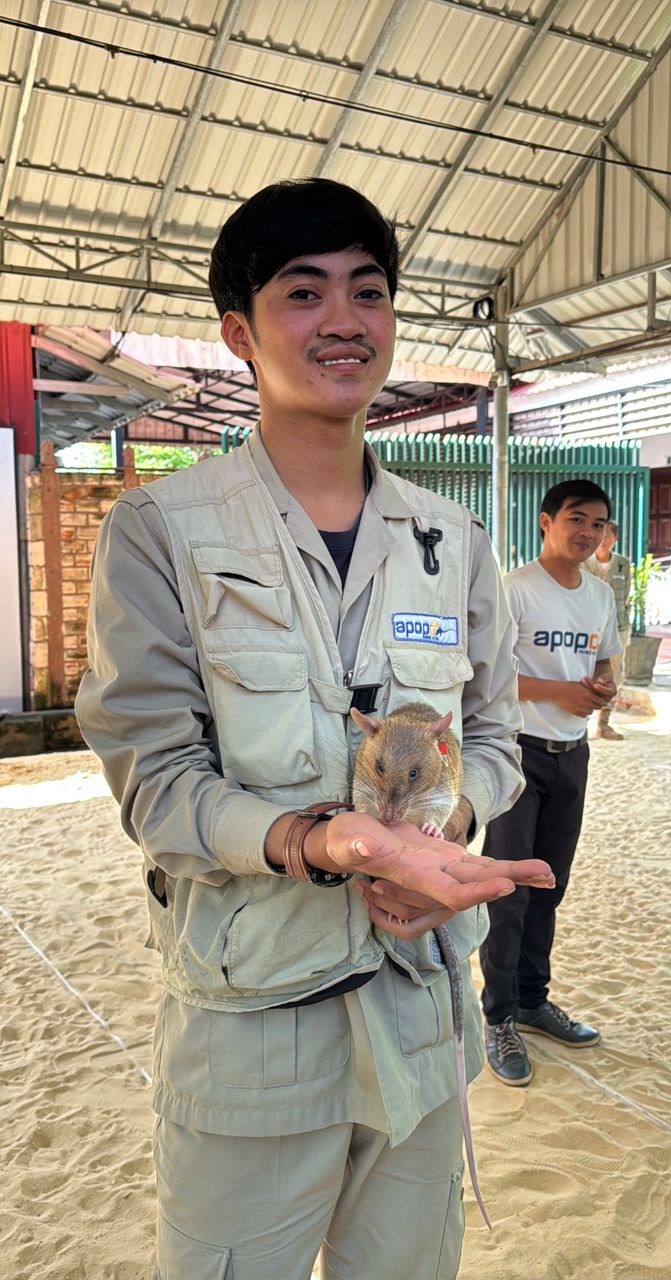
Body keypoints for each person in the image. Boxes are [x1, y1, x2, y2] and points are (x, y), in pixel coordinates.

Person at [75, 177, 555, 1280]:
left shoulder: (450, 537)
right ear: (240, 332)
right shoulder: (163, 531)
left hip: (423, 1012)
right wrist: (320, 841)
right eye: (304, 291)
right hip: (251, 1029)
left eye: (368, 290)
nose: (343, 319)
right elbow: (156, 782)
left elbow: (493, 734)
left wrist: (447, 823)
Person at [479, 480, 621, 1087]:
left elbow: (604, 660)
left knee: (548, 885)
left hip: (573, 756)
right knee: (507, 890)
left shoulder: (599, 596)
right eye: (576, 519)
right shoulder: (515, 591)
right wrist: (558, 692)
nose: (587, 533)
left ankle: (534, 1002)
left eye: (598, 524)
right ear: (546, 522)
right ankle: (499, 1017)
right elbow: (488, 677)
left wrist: (602, 685)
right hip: (519, 756)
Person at [584, 520, 632, 740]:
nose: (604, 540)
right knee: (582, 672)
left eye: (609, 536)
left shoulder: (623, 564)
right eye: (601, 535)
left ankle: (604, 722)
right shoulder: (584, 563)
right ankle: (580, 720)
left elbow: (626, 595)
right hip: (588, 626)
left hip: (618, 626)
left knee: (615, 673)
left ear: (615, 539)